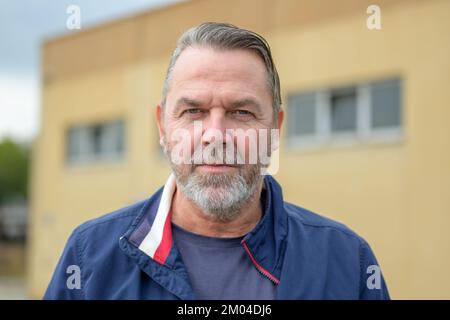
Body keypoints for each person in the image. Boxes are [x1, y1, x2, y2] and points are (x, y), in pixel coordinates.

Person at [44, 22, 390, 300]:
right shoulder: (88, 259)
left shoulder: (347, 261)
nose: (215, 134)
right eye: (193, 111)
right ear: (163, 126)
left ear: (274, 130)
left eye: (241, 112)